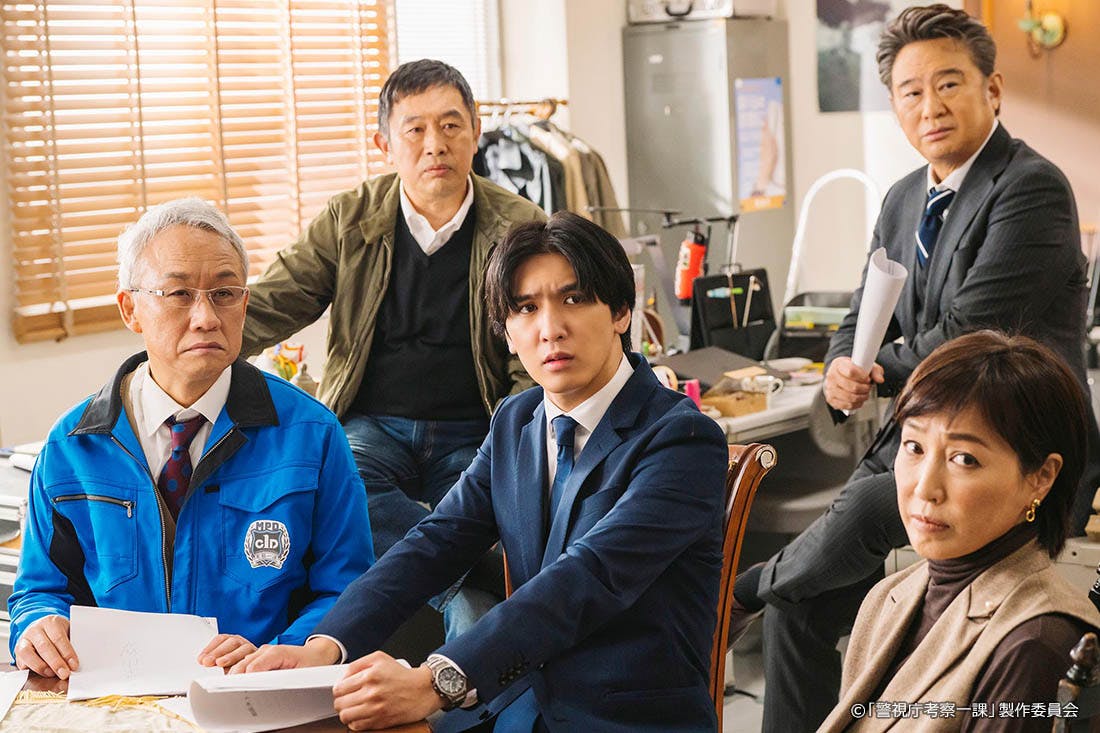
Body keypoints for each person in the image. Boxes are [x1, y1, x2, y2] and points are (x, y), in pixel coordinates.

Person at [728, 5, 1098, 730]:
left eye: (949, 84)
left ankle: (739, 589)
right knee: (799, 607)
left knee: (869, 507)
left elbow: (969, 334)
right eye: (911, 91)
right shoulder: (904, 198)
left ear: (993, 90)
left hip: (1019, 442)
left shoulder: (1032, 187)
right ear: (894, 105)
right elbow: (862, 311)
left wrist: (876, 372)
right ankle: (769, 600)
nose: (931, 106)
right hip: (927, 440)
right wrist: (843, 365)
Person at [235, 211, 729, 733]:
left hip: (625, 721)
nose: (550, 329)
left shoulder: (683, 438)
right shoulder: (517, 419)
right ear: (507, 333)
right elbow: (436, 541)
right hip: (513, 708)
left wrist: (434, 681)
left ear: (621, 312)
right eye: (526, 308)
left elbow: (588, 577)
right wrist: (322, 648)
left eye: (574, 299)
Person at [240, 59, 546, 635]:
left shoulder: (519, 227)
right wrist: (198, 336)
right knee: (340, 484)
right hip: (372, 426)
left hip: (473, 428)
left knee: (481, 508)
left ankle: (460, 610)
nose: (436, 145)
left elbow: (530, 353)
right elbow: (275, 301)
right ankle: (474, 575)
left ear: (476, 132)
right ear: (384, 143)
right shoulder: (349, 219)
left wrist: (514, 433)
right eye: (415, 129)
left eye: (451, 126)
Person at [8, 198, 373, 679]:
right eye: (179, 293)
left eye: (224, 293)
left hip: (259, 693)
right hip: (117, 699)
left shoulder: (312, 435)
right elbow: (40, 591)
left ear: (245, 304)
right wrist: (37, 625)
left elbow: (348, 591)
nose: (206, 317)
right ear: (130, 309)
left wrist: (283, 652)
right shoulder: (72, 447)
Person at [820, 331, 1100, 732]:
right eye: (914, 447)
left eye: (964, 459)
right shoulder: (889, 597)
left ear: (1041, 476)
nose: (924, 487)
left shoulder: (1032, 644)